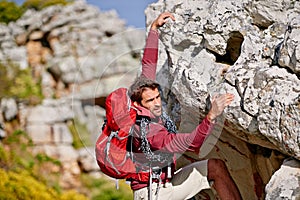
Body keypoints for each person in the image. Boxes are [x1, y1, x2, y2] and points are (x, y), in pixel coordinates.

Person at [127, 12, 242, 200]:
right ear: (138, 104)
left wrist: (154, 30)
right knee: (214, 168)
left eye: (157, 98)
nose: (157, 103)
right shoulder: (149, 131)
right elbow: (192, 143)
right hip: (153, 194)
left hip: (163, 184)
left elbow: (148, 65)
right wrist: (211, 116)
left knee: (214, 167)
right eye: (150, 101)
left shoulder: (141, 98)